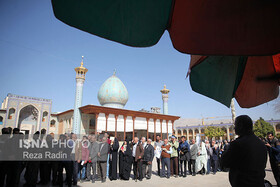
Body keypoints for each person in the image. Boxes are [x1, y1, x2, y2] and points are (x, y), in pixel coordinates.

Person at [221, 115, 267, 187]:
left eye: (235, 125)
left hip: (244, 183)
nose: (234, 128)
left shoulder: (238, 144)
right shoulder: (261, 143)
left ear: (241, 126)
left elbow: (224, 162)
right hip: (259, 183)